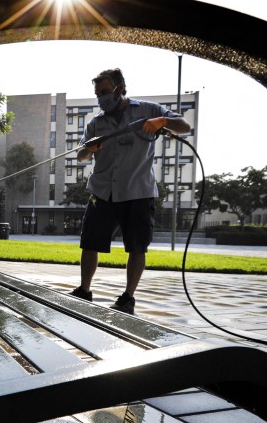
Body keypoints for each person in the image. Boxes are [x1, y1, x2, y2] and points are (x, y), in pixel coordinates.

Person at [70, 68, 191, 314]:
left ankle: (127, 297)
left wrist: (163, 121)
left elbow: (184, 125)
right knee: (89, 243)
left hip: (137, 191)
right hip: (102, 192)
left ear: (120, 87)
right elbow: (81, 155)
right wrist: (90, 149)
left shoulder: (149, 110)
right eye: (97, 94)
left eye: (104, 92)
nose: (101, 98)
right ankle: (84, 290)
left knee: (137, 246)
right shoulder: (96, 123)